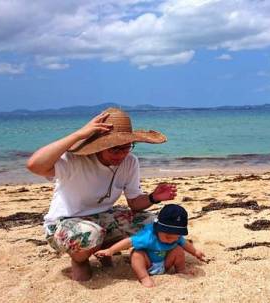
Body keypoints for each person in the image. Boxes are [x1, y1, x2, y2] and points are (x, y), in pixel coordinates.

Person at [26, 107, 177, 281]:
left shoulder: (129, 162)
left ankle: (105, 248)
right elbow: (34, 165)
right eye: (114, 149)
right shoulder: (74, 161)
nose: (121, 154)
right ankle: (80, 259)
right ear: (100, 146)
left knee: (155, 224)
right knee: (90, 234)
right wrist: (79, 135)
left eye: (127, 147)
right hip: (64, 223)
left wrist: (153, 197)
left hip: (103, 218)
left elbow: (134, 203)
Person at [95, 204, 205, 288]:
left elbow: (185, 244)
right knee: (136, 254)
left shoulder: (176, 237)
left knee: (178, 249)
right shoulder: (148, 236)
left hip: (164, 263)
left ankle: (181, 269)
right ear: (158, 229)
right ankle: (143, 277)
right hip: (148, 264)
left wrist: (195, 252)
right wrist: (110, 250)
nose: (171, 239)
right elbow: (129, 242)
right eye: (167, 236)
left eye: (176, 236)